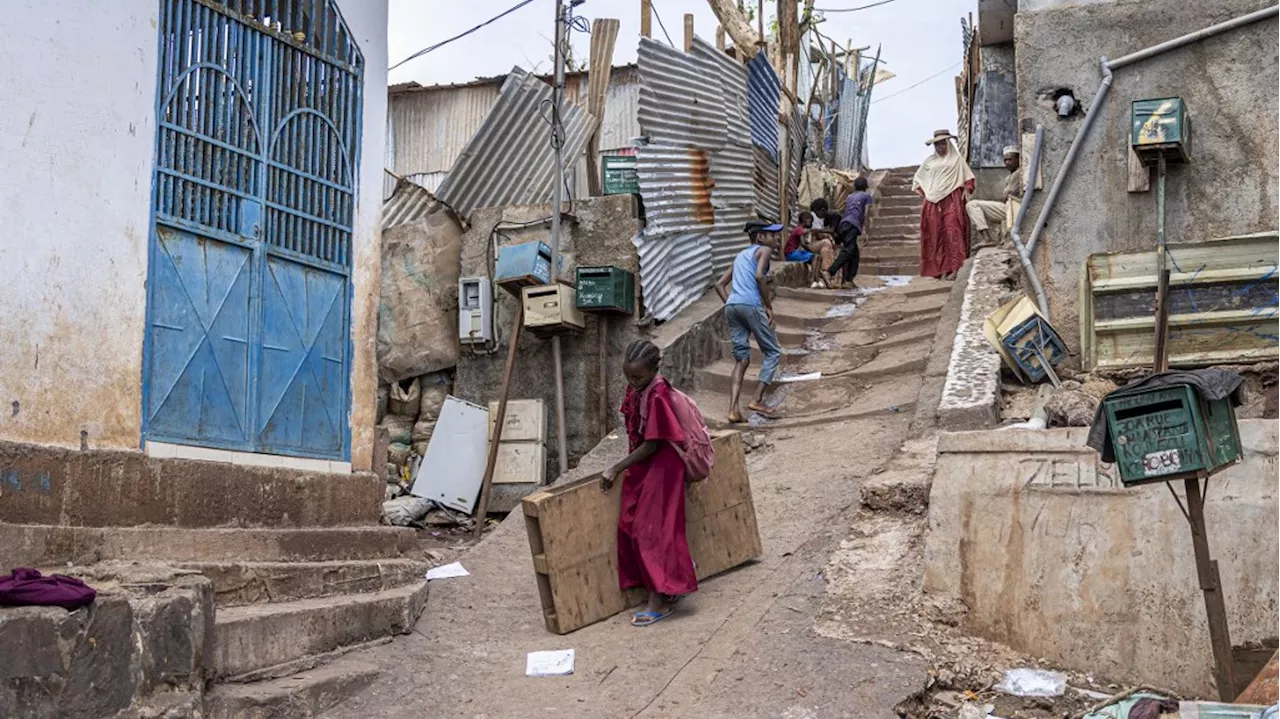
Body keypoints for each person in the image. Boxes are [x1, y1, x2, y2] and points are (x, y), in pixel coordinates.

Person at [602, 339, 698, 627]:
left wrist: (615, 468)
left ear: (653, 370)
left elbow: (653, 443)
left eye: (638, 377)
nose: (632, 382)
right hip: (644, 466)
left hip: (663, 466)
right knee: (629, 524)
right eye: (628, 376)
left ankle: (659, 600)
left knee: (652, 531)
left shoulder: (657, 394)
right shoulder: (639, 389)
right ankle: (660, 585)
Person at [714, 222, 783, 423]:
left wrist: (732, 303)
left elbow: (719, 284)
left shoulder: (740, 256)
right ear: (760, 237)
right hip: (750, 305)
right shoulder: (764, 250)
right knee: (773, 351)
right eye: (772, 236)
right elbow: (760, 276)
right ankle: (757, 399)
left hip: (732, 307)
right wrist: (768, 306)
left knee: (741, 360)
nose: (776, 239)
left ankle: (733, 410)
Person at [914, 129, 976, 281]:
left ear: (948, 143)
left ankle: (956, 269)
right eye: (937, 145)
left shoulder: (957, 160)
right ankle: (940, 269)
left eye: (943, 144)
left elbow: (969, 178)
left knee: (952, 231)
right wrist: (926, 193)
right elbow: (918, 180)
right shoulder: (929, 162)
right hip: (933, 203)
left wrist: (967, 188)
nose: (940, 147)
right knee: (935, 234)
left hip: (952, 199)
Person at [965, 145, 1024, 249]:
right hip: (1010, 209)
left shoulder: (1018, 173)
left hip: (1016, 210)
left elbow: (1006, 196)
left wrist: (1004, 197)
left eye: (1010, 160)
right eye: (1005, 160)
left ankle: (987, 239)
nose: (1007, 163)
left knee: (972, 205)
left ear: (1018, 159)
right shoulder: (1010, 177)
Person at [827, 176, 873, 288]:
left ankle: (849, 280)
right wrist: (866, 232)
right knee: (848, 250)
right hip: (853, 225)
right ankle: (830, 271)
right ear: (866, 187)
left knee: (854, 254)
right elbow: (866, 214)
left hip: (844, 224)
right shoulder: (867, 196)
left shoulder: (850, 197)